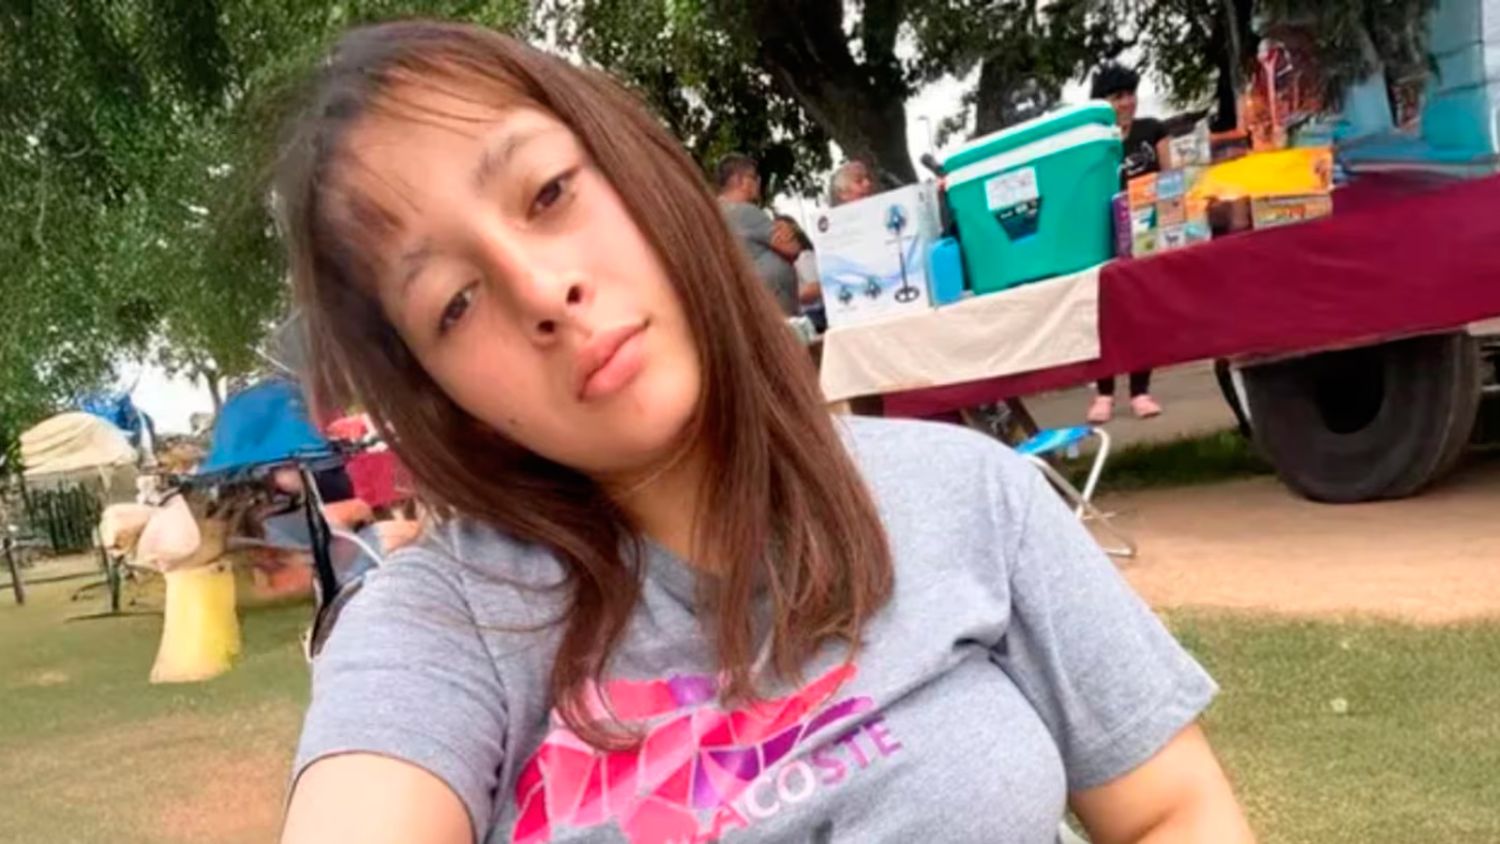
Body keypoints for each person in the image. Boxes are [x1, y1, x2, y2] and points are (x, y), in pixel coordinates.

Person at [277, 21, 1255, 844]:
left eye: (548, 194)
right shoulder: (444, 628)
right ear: (441, 393)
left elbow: (1170, 810)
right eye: (453, 303)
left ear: (637, 167)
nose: (541, 291)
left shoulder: (970, 495)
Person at [1089, 62, 1166, 424]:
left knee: (1142, 315)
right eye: (1117, 96)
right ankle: (1103, 393)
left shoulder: (1153, 130)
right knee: (1104, 317)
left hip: (1148, 233)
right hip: (1106, 238)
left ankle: (1140, 391)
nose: (1126, 103)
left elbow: (1171, 178)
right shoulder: (1093, 145)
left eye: (1129, 94)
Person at [715, 153, 801, 316]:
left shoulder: (713, 214)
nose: (759, 182)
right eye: (754, 177)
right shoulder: (744, 211)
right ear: (740, 180)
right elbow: (792, 249)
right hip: (773, 308)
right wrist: (789, 234)